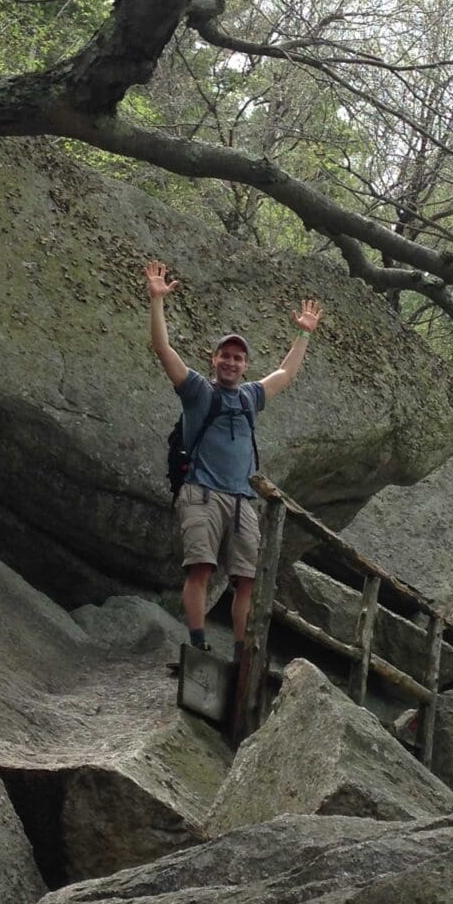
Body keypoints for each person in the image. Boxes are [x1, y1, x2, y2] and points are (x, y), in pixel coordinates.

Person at [146, 258, 323, 661]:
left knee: (246, 580)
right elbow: (163, 348)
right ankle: (198, 644)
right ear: (214, 359)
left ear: (245, 365)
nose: (231, 362)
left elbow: (284, 374)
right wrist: (157, 301)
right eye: (225, 355)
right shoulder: (196, 391)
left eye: (238, 358)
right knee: (202, 570)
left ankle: (244, 654)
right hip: (202, 493)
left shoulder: (249, 397)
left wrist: (303, 335)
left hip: (243, 500)